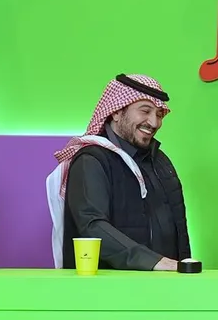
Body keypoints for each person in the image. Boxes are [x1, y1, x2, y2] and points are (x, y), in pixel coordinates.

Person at [46, 73, 190, 272]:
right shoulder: (92, 160)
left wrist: (185, 272)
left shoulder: (160, 161)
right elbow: (92, 227)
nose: (154, 122)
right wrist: (152, 262)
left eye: (159, 114)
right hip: (110, 288)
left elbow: (178, 228)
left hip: (165, 284)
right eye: (145, 111)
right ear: (116, 112)